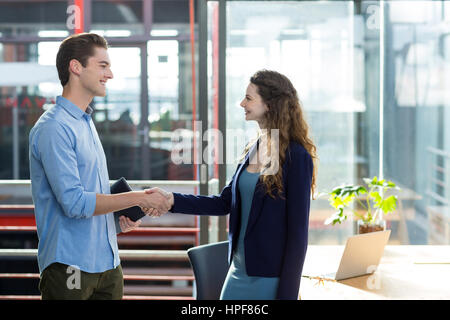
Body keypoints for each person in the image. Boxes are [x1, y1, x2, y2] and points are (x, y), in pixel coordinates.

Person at [147, 69, 318, 300]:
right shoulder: (253, 147)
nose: (241, 103)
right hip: (237, 272)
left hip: (270, 280)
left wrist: (287, 293)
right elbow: (223, 203)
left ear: (269, 104)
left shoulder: (297, 157)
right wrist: (172, 200)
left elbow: (298, 235)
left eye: (249, 98)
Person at [29, 33, 170, 300]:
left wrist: (117, 218)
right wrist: (137, 197)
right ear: (76, 67)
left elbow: (91, 189)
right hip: (70, 265)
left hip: (108, 263)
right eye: (103, 65)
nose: (110, 74)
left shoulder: (85, 122)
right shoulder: (53, 128)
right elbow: (73, 202)